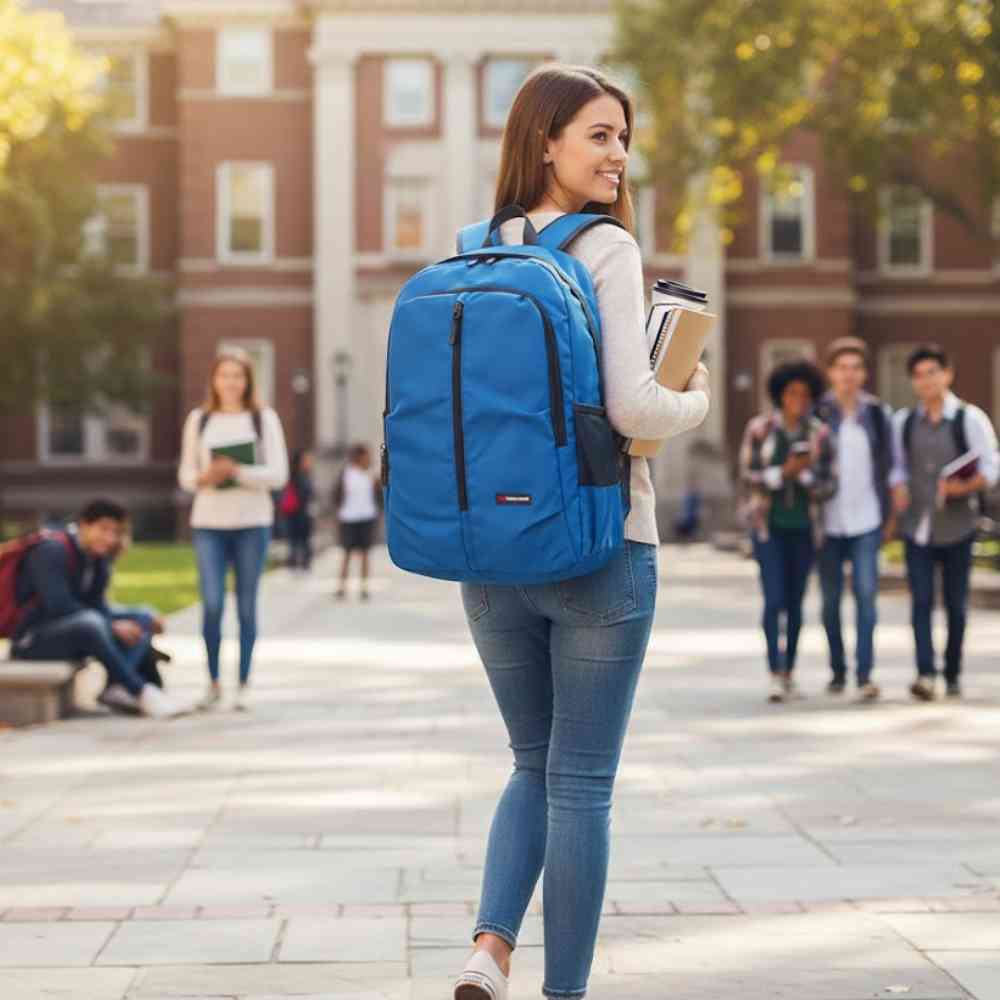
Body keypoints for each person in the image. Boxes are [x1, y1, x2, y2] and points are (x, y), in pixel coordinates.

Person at [450, 66, 710, 1000]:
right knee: (582, 782)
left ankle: (489, 948)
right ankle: (565, 994)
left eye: (622, 137)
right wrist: (697, 392)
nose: (617, 155)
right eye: (597, 136)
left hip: (487, 557)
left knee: (530, 761)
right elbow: (635, 405)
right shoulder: (604, 249)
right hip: (600, 546)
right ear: (546, 142)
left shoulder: (471, 248)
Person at [178, 349, 289, 712]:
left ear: (248, 381)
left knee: (245, 605)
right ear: (213, 379)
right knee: (211, 604)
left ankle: (242, 682)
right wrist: (205, 477)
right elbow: (186, 476)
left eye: (238, 376)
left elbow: (278, 475)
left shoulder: (263, 419)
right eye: (224, 375)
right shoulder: (200, 420)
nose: (230, 382)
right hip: (209, 523)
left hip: (252, 524)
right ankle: (212, 683)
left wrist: (237, 472)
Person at [10, 499, 186, 718]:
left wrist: (135, 620)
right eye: (103, 529)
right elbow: (59, 605)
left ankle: (115, 688)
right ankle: (141, 690)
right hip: (33, 640)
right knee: (91, 623)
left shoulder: (96, 558)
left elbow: (98, 605)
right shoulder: (51, 550)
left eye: (116, 532)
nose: (110, 538)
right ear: (84, 524)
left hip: (77, 632)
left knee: (143, 616)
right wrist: (111, 625)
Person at [891, 344, 999, 700]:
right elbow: (897, 466)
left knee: (956, 604)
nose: (926, 381)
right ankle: (925, 673)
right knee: (920, 601)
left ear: (947, 374)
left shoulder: (970, 419)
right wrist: (898, 487)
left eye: (932, 373)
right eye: (919, 375)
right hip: (917, 526)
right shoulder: (903, 423)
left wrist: (965, 485)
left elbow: (991, 468)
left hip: (959, 525)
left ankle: (951, 672)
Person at [740, 360, 836, 704]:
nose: (798, 399)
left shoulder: (820, 434)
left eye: (805, 394)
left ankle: (790, 671)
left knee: (796, 602)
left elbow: (828, 484)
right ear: (780, 395)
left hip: (804, 529)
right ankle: (774, 672)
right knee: (774, 598)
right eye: (792, 393)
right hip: (769, 528)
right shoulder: (760, 429)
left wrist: (805, 475)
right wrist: (783, 473)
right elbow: (748, 475)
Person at [815, 337, 895, 702]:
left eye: (855, 368)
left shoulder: (877, 415)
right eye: (841, 367)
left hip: (867, 520)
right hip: (828, 524)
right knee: (830, 602)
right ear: (831, 372)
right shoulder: (818, 413)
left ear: (864, 374)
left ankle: (864, 675)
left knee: (866, 597)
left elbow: (893, 469)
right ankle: (837, 671)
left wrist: (892, 515)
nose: (848, 374)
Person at [334, 443, 380, 601]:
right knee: (346, 554)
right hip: (348, 518)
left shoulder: (371, 474)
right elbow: (336, 495)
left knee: (365, 554)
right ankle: (341, 586)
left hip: (367, 517)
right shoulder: (346, 474)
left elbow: (378, 495)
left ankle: (364, 587)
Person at [283, 449, 316, 571]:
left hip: (296, 513)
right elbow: (305, 494)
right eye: (306, 460)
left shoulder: (305, 475)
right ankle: (300, 563)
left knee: (298, 540)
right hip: (298, 513)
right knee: (299, 540)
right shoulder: (298, 476)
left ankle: (297, 563)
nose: (309, 462)